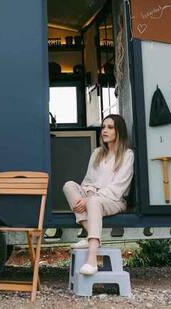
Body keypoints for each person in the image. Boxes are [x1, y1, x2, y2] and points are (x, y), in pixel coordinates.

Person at [62, 114, 134, 275]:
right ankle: (91, 235)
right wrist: (88, 193)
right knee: (69, 186)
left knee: (93, 202)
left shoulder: (127, 155)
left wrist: (91, 198)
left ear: (119, 131)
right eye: (103, 127)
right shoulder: (97, 153)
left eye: (110, 127)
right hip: (93, 197)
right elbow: (88, 181)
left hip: (114, 200)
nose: (104, 131)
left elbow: (119, 187)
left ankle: (92, 259)